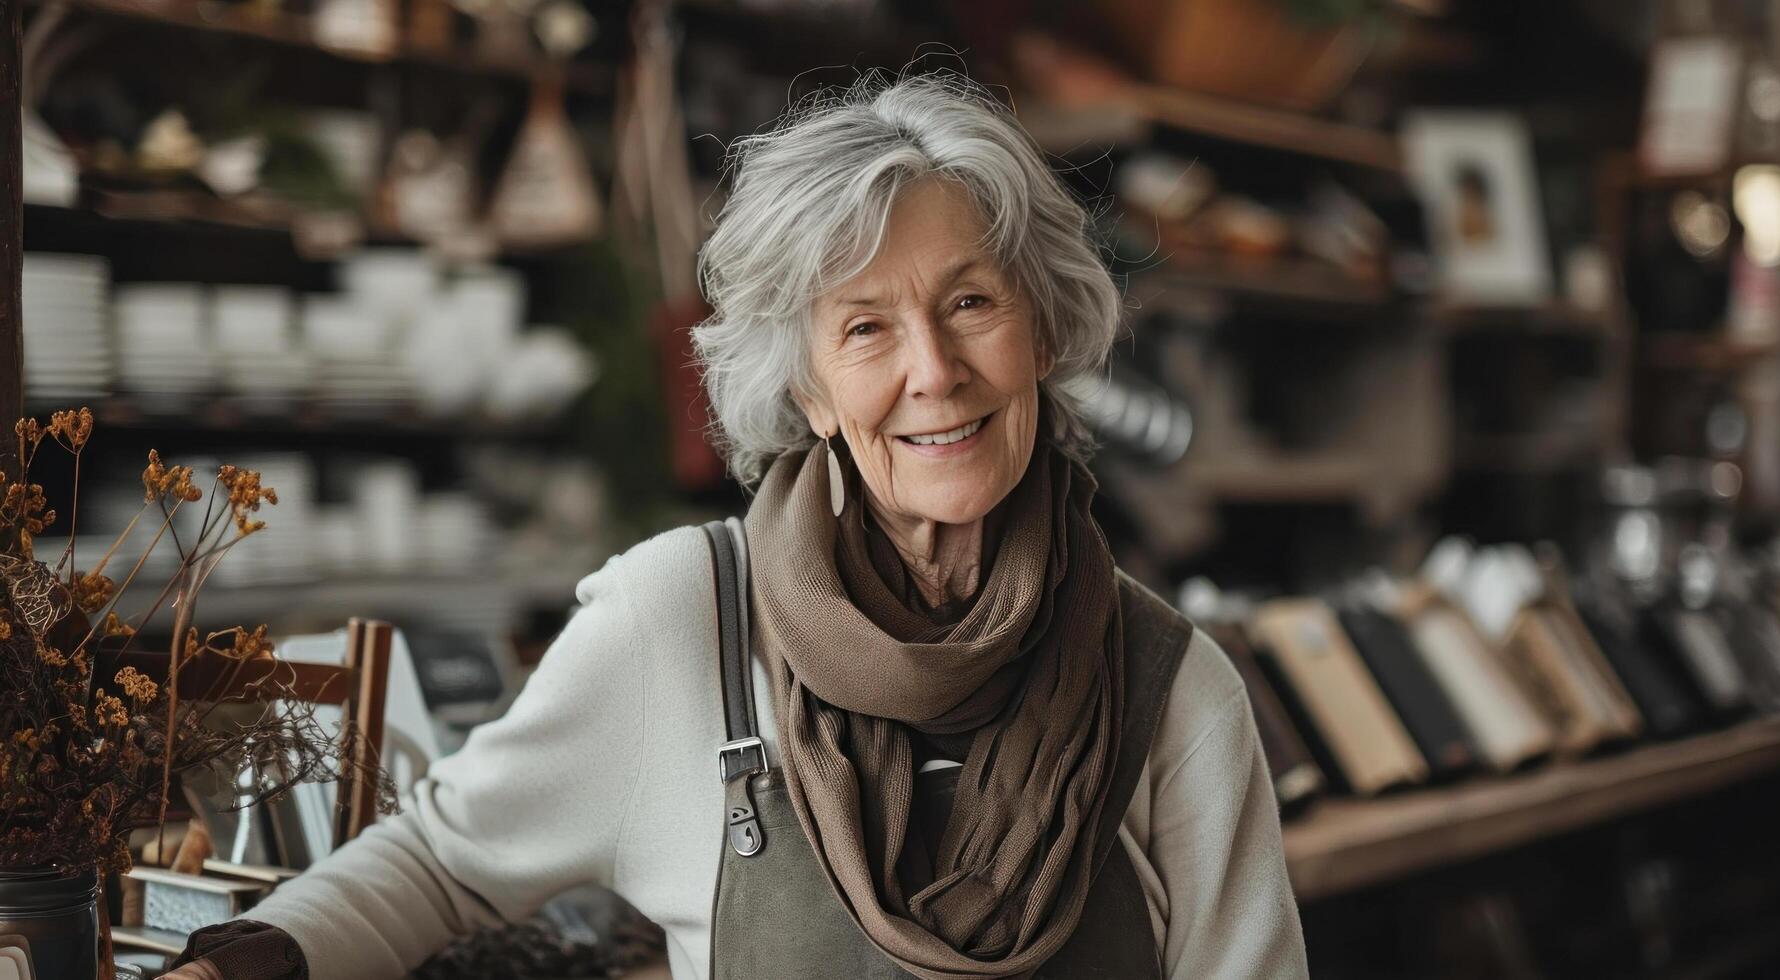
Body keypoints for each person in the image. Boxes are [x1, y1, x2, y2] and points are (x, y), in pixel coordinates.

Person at [164, 72, 1308, 980]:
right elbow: (441, 860)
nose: (934, 371)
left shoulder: (1168, 684)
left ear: (1044, 331)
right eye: (865, 328)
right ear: (804, 388)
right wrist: (243, 960)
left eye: (972, 302)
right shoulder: (684, 621)